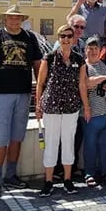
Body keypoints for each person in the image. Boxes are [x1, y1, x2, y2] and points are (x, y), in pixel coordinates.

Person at [0, 5, 43, 199]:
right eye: (11, 18)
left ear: (22, 19)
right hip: (1, 93)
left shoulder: (30, 38)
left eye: (17, 18)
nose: (14, 21)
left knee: (17, 136)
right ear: (5, 19)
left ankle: (11, 174)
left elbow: (38, 67)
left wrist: (41, 94)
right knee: (0, 136)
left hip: (23, 93)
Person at [35, 24, 85, 197]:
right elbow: (40, 83)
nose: (65, 39)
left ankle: (67, 180)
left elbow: (82, 84)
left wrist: (86, 106)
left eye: (69, 36)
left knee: (68, 143)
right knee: (51, 143)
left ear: (73, 39)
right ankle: (48, 181)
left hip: (71, 108)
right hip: (51, 107)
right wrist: (38, 105)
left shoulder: (79, 59)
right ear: (58, 38)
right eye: (62, 36)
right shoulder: (48, 58)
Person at [81, 36, 106, 187]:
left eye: (95, 48)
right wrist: (103, 79)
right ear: (85, 50)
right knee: (90, 144)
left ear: (100, 51)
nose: (92, 51)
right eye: (89, 49)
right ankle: (89, 172)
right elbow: (85, 83)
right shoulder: (83, 66)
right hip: (91, 113)